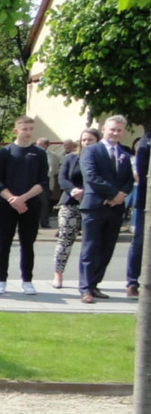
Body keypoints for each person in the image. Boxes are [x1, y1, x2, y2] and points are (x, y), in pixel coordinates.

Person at [78, 115, 135, 303]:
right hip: (94, 206)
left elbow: (128, 180)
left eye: (119, 130)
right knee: (90, 247)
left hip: (115, 208)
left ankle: (94, 285)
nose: (115, 133)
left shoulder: (124, 155)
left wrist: (121, 196)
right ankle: (85, 288)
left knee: (107, 248)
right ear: (103, 129)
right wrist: (113, 194)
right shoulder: (91, 151)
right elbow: (91, 176)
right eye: (112, 129)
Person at [0, 116, 49, 295]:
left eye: (31, 129)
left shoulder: (39, 153)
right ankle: (1, 280)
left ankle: (27, 281)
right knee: (4, 244)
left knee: (27, 244)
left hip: (30, 205)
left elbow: (43, 182)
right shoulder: (5, 152)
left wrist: (23, 199)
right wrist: (12, 199)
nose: (28, 132)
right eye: (24, 129)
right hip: (7, 205)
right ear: (16, 130)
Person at [54, 129, 98, 289]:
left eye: (90, 140)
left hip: (93, 203)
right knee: (65, 239)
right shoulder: (71, 158)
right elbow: (62, 178)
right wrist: (73, 190)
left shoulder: (100, 159)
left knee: (92, 243)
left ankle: (88, 279)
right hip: (71, 202)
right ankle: (58, 274)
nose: (86, 143)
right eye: (84, 140)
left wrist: (86, 192)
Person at [128, 127, 150, 297]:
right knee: (140, 241)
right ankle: (132, 282)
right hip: (146, 202)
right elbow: (142, 174)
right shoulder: (146, 142)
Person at [36, 137, 61, 229]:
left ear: (46, 145)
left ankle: (44, 221)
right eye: (37, 144)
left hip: (46, 180)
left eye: (41, 144)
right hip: (32, 181)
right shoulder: (32, 153)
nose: (38, 146)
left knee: (45, 203)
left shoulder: (53, 156)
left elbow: (55, 170)